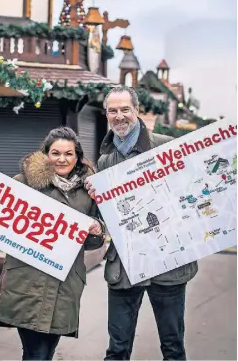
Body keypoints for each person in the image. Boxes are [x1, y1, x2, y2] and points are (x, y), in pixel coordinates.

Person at [86, 86, 198, 361]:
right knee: (117, 349)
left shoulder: (166, 147)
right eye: (113, 110)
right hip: (124, 267)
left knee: (173, 348)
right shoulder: (105, 160)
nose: (119, 116)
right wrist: (96, 202)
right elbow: (106, 216)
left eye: (125, 109)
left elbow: (192, 193)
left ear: (137, 111)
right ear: (106, 115)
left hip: (167, 264)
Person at [0, 126, 105, 361]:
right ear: (46, 154)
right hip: (27, 281)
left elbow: (94, 243)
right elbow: (0, 221)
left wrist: (96, 229)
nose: (62, 159)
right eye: (56, 153)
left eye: (68, 153)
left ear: (77, 157)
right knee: (36, 353)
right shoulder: (23, 183)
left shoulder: (89, 191)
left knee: (46, 353)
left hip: (65, 284)